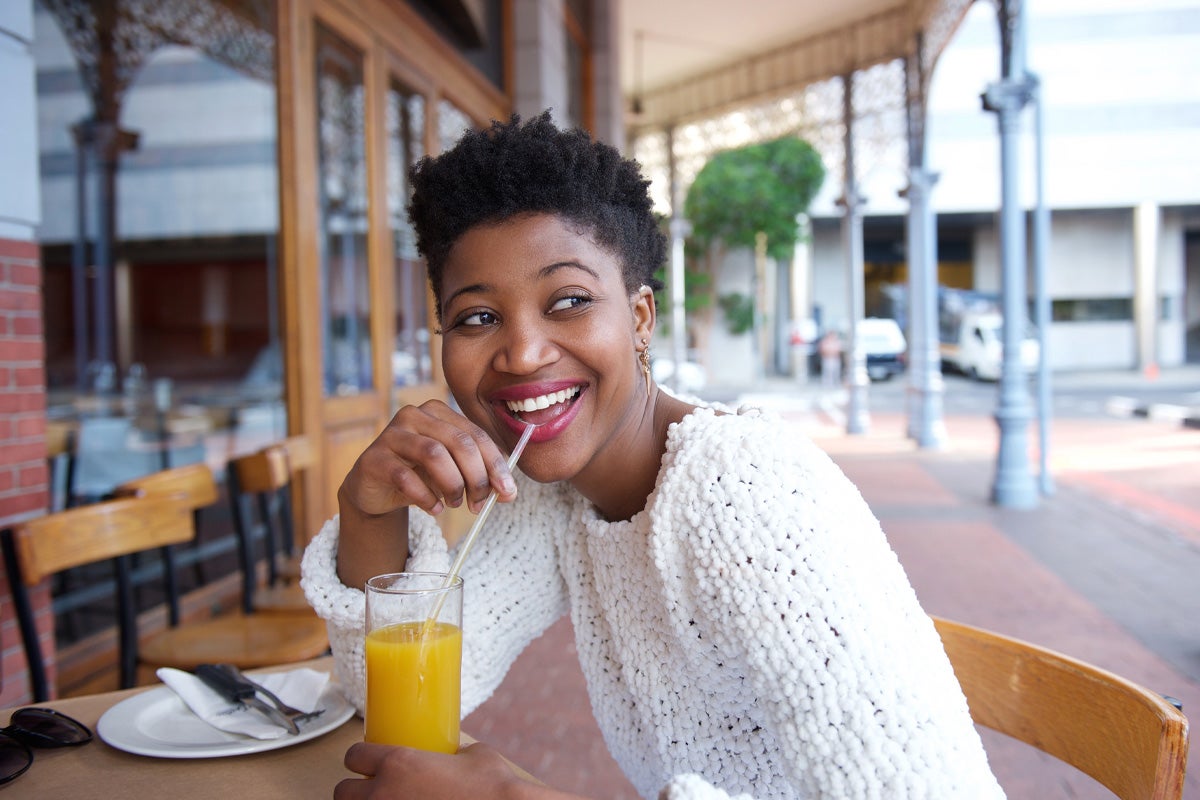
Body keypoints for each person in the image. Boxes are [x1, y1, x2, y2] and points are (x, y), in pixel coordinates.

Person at [301, 112, 1005, 800]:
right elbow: (386, 695)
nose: (521, 352)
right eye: (477, 317)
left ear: (639, 318)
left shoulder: (744, 490)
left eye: (569, 300)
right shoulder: (559, 494)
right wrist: (365, 507)